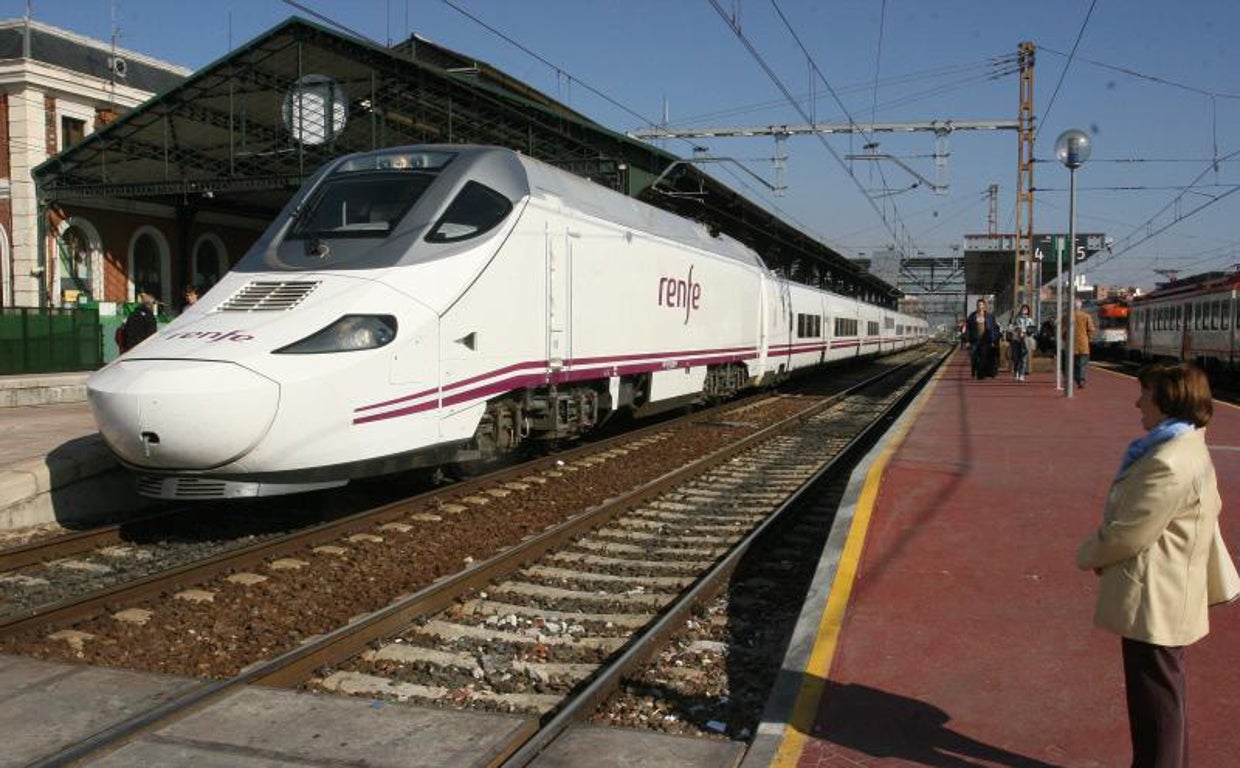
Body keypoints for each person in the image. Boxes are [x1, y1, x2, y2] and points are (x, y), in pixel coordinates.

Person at [1077, 362, 1237, 767]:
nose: (1137, 403)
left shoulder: (1167, 460)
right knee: (1163, 693)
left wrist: (1091, 554)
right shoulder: (1187, 447)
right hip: (1168, 589)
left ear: (1167, 400)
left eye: (1144, 394)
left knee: (1156, 703)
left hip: (1155, 595)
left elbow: (1131, 531)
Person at [1063, 300, 1097, 388]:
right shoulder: (1086, 316)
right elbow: (1091, 329)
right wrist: (1088, 338)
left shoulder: (1066, 316)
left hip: (1070, 344)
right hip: (1083, 343)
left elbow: (1063, 330)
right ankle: (1081, 380)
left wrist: (1065, 339)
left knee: (1071, 363)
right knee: (1082, 363)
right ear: (1080, 307)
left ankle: (1073, 378)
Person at [964, 298, 1000, 379]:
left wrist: (994, 339)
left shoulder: (990, 316)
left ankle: (981, 374)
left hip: (986, 340)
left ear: (984, 306)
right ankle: (975, 371)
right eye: (979, 305)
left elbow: (994, 328)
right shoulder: (972, 316)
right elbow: (968, 329)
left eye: (982, 304)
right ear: (977, 306)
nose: (980, 306)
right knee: (974, 356)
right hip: (975, 340)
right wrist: (967, 340)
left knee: (983, 357)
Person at [1008, 303, 1037, 381]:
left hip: (1026, 340)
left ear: (1028, 311)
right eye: (1023, 309)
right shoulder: (1016, 318)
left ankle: (1021, 374)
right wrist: (1017, 329)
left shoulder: (1030, 320)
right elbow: (1010, 328)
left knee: (1023, 357)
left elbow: (1034, 330)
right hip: (1016, 340)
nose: (1024, 310)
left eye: (1026, 309)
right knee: (1016, 357)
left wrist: (1027, 331)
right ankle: (1016, 372)